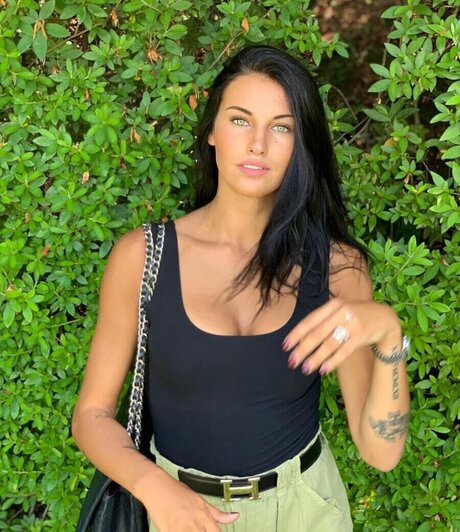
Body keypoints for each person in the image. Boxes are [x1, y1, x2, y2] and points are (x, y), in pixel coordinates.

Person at [72, 45, 410, 531]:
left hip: (302, 512)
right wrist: (153, 487)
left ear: (301, 144)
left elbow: (381, 452)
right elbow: (91, 414)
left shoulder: (336, 267)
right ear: (212, 131)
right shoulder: (143, 257)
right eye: (239, 120)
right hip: (177, 512)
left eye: (281, 127)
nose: (257, 144)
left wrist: (388, 334)